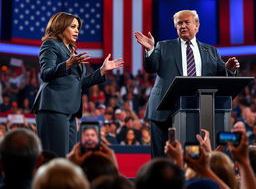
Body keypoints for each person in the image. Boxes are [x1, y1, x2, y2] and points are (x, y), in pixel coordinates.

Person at [134, 10, 240, 157]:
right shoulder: (163, 46)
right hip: (163, 111)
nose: (183, 26)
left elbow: (222, 76)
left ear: (197, 26)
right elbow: (151, 67)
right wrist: (150, 49)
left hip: (199, 111)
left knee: (193, 155)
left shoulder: (210, 51)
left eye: (187, 22)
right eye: (179, 23)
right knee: (161, 157)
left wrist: (229, 69)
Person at [32, 12, 123, 157]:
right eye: (73, 26)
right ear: (60, 26)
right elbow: (46, 74)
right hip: (53, 107)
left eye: (78, 28)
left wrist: (102, 70)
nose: (77, 31)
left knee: (70, 156)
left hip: (70, 110)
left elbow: (78, 83)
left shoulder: (72, 50)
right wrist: (67, 64)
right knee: (56, 157)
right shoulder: (50, 44)